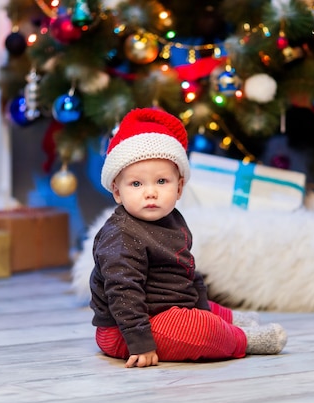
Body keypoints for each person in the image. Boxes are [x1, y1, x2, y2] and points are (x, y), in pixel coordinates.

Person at [89, 108, 287, 368]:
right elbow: (123, 293)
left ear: (179, 187)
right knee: (200, 330)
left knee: (203, 304)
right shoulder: (121, 235)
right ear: (117, 191)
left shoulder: (172, 221)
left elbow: (186, 272)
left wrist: (203, 308)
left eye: (161, 181)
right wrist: (140, 343)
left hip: (167, 308)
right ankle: (242, 338)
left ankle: (226, 319)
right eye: (136, 184)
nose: (150, 193)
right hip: (127, 329)